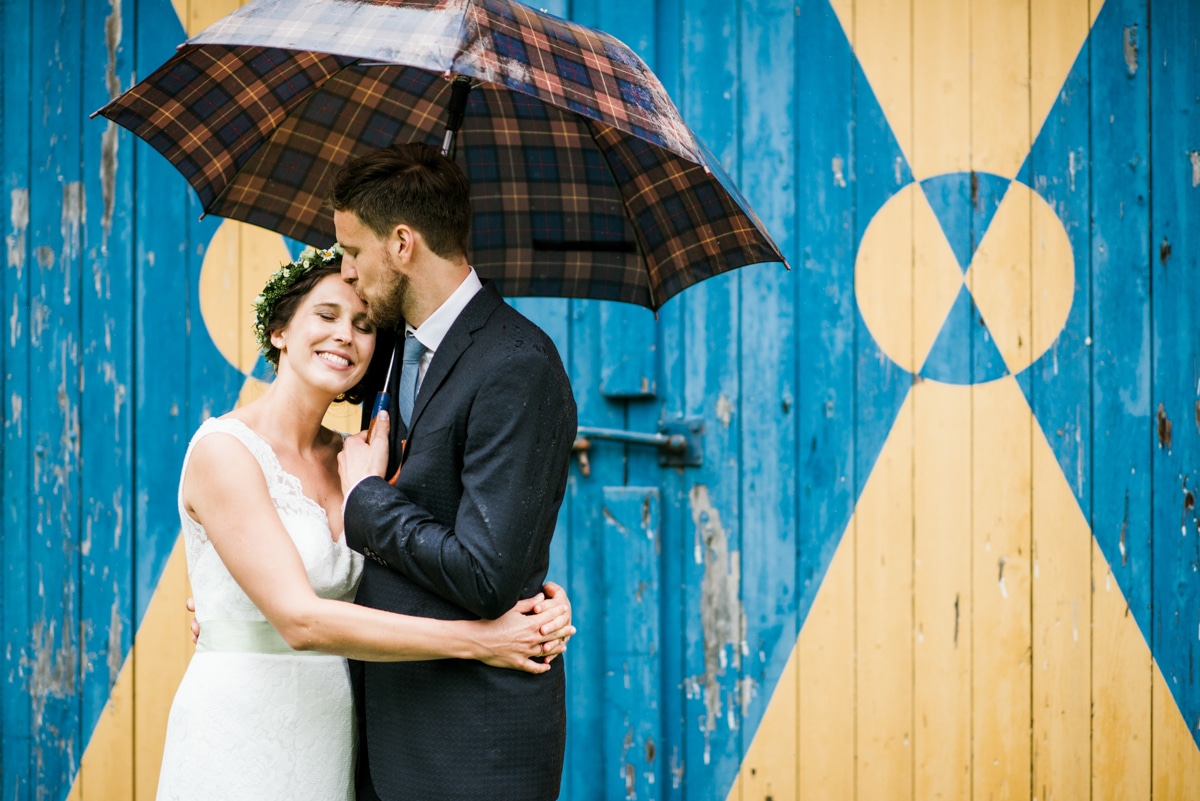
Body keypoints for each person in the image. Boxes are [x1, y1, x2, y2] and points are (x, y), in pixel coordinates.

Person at [157, 246, 574, 801]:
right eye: (326, 316)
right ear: (279, 330)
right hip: (242, 726)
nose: (345, 336)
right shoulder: (225, 452)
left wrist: (541, 599)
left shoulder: (360, 460)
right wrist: (483, 640)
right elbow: (301, 620)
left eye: (363, 324)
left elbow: (422, 558)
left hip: (337, 731)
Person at [333, 142, 578, 801]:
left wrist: (367, 502)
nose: (345, 273)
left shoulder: (516, 365)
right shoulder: (389, 349)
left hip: (471, 748)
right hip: (383, 736)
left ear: (403, 244)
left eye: (354, 253)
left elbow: (486, 571)